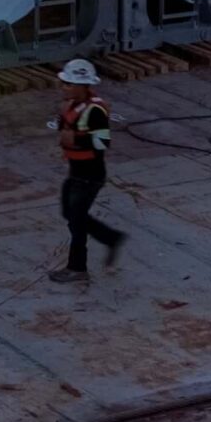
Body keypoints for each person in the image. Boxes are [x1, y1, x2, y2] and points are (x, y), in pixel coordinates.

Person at [50, 57, 126, 284]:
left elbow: (102, 143)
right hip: (76, 173)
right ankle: (111, 238)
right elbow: (65, 129)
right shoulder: (71, 106)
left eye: (69, 84)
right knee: (71, 214)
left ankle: (77, 267)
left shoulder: (94, 111)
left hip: (89, 176)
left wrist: (75, 138)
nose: (64, 87)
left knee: (77, 220)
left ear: (83, 86)